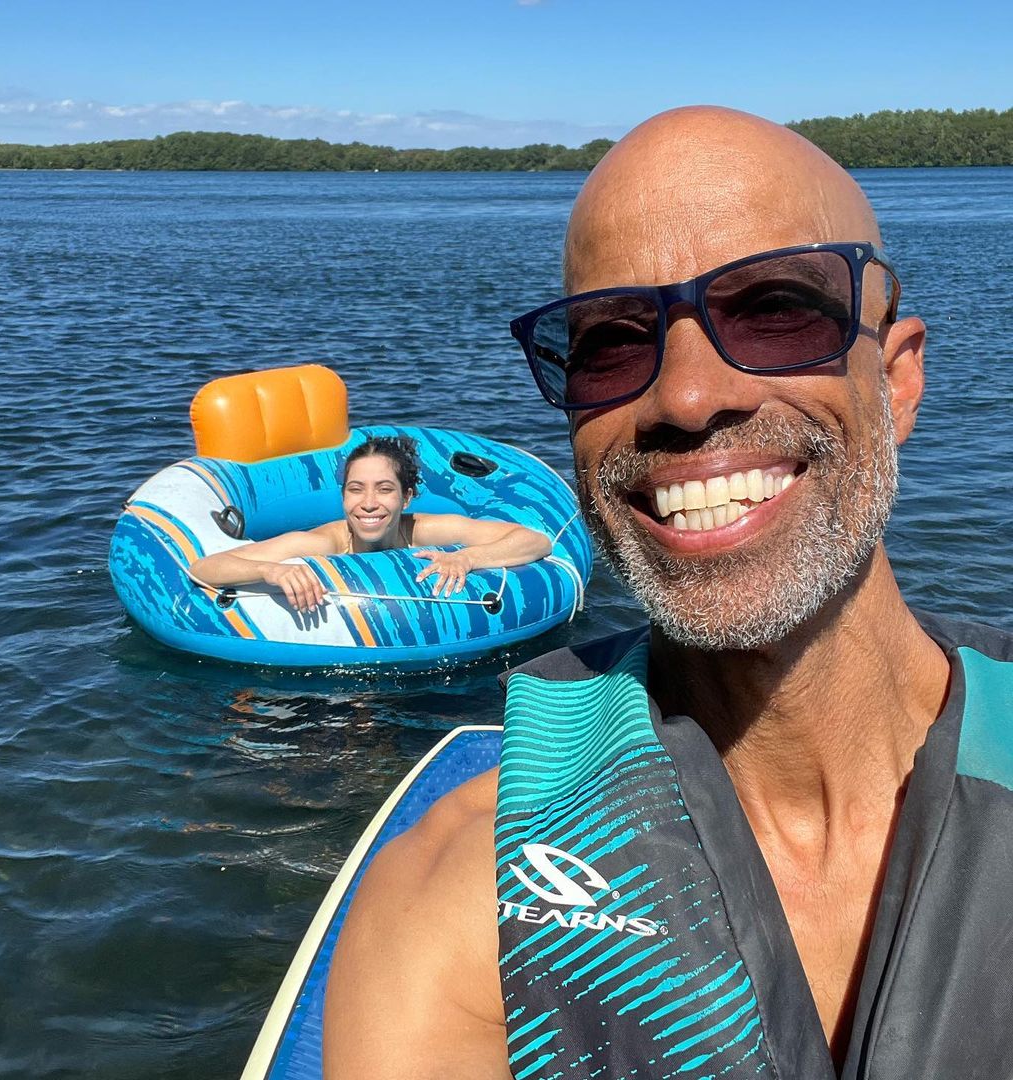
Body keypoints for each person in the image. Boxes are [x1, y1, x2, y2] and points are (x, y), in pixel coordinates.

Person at [322, 107, 1013, 1080]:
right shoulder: (464, 900)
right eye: (609, 341)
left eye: (776, 310)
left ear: (897, 381)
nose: (687, 398)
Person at [189, 435, 552, 610]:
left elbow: (536, 541)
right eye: (356, 489)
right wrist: (271, 570)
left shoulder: (423, 530)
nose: (368, 504)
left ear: (406, 498)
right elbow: (205, 568)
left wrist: (466, 558)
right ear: (343, 497)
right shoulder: (324, 543)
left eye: (384, 489)